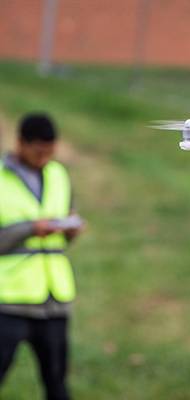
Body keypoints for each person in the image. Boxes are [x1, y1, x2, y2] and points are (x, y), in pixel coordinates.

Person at [0, 113, 83, 400]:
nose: (44, 159)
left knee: (57, 384)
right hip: (9, 301)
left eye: (50, 152)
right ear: (20, 143)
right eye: (38, 152)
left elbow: (66, 216)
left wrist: (71, 230)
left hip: (53, 301)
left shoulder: (58, 174)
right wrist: (31, 229)